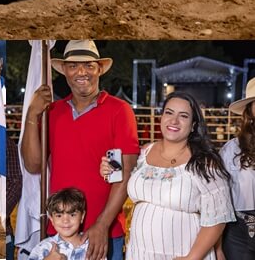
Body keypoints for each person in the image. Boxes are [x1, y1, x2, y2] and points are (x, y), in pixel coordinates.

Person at [20, 40, 139, 260]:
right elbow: (33, 165)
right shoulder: (51, 112)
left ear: (99, 69)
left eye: (89, 66)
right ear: (64, 70)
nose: (81, 72)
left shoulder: (119, 110)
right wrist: (32, 114)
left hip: (103, 233)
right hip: (59, 230)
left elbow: (126, 174)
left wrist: (102, 225)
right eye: (73, 65)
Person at [101, 92, 234, 260]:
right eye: (169, 113)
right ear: (161, 117)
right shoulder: (144, 153)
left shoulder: (204, 162)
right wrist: (108, 170)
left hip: (184, 254)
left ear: (193, 125)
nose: (174, 121)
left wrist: (192, 257)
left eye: (183, 116)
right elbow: (125, 181)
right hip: (140, 253)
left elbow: (218, 218)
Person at [216, 79, 255, 258]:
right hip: (238, 230)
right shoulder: (231, 149)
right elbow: (218, 198)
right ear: (250, 110)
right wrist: (217, 247)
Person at [28, 188, 88, 260]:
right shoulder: (43, 247)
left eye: (72, 215)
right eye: (59, 216)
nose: (65, 221)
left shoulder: (93, 246)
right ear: (52, 220)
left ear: (82, 216)